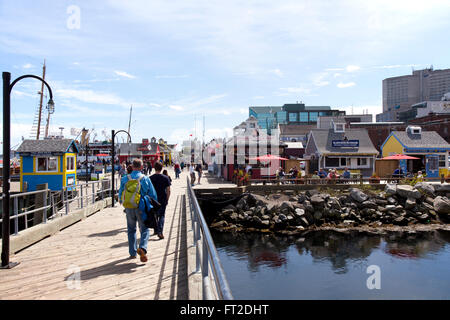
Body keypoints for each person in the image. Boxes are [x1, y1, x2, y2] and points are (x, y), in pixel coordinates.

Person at [118, 158, 157, 262]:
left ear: (132, 166)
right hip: (141, 207)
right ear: (141, 167)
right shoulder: (145, 178)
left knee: (131, 230)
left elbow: (120, 193)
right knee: (144, 229)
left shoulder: (125, 178)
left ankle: (132, 252)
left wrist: (123, 203)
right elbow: (152, 194)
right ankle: (143, 248)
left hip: (129, 207)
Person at [150, 162, 171, 240]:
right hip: (162, 199)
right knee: (161, 215)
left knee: (155, 215)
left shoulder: (150, 178)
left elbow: (148, 190)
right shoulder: (165, 178)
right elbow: (168, 190)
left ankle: (155, 230)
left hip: (153, 200)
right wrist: (167, 199)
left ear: (154, 168)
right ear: (161, 168)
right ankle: (160, 231)